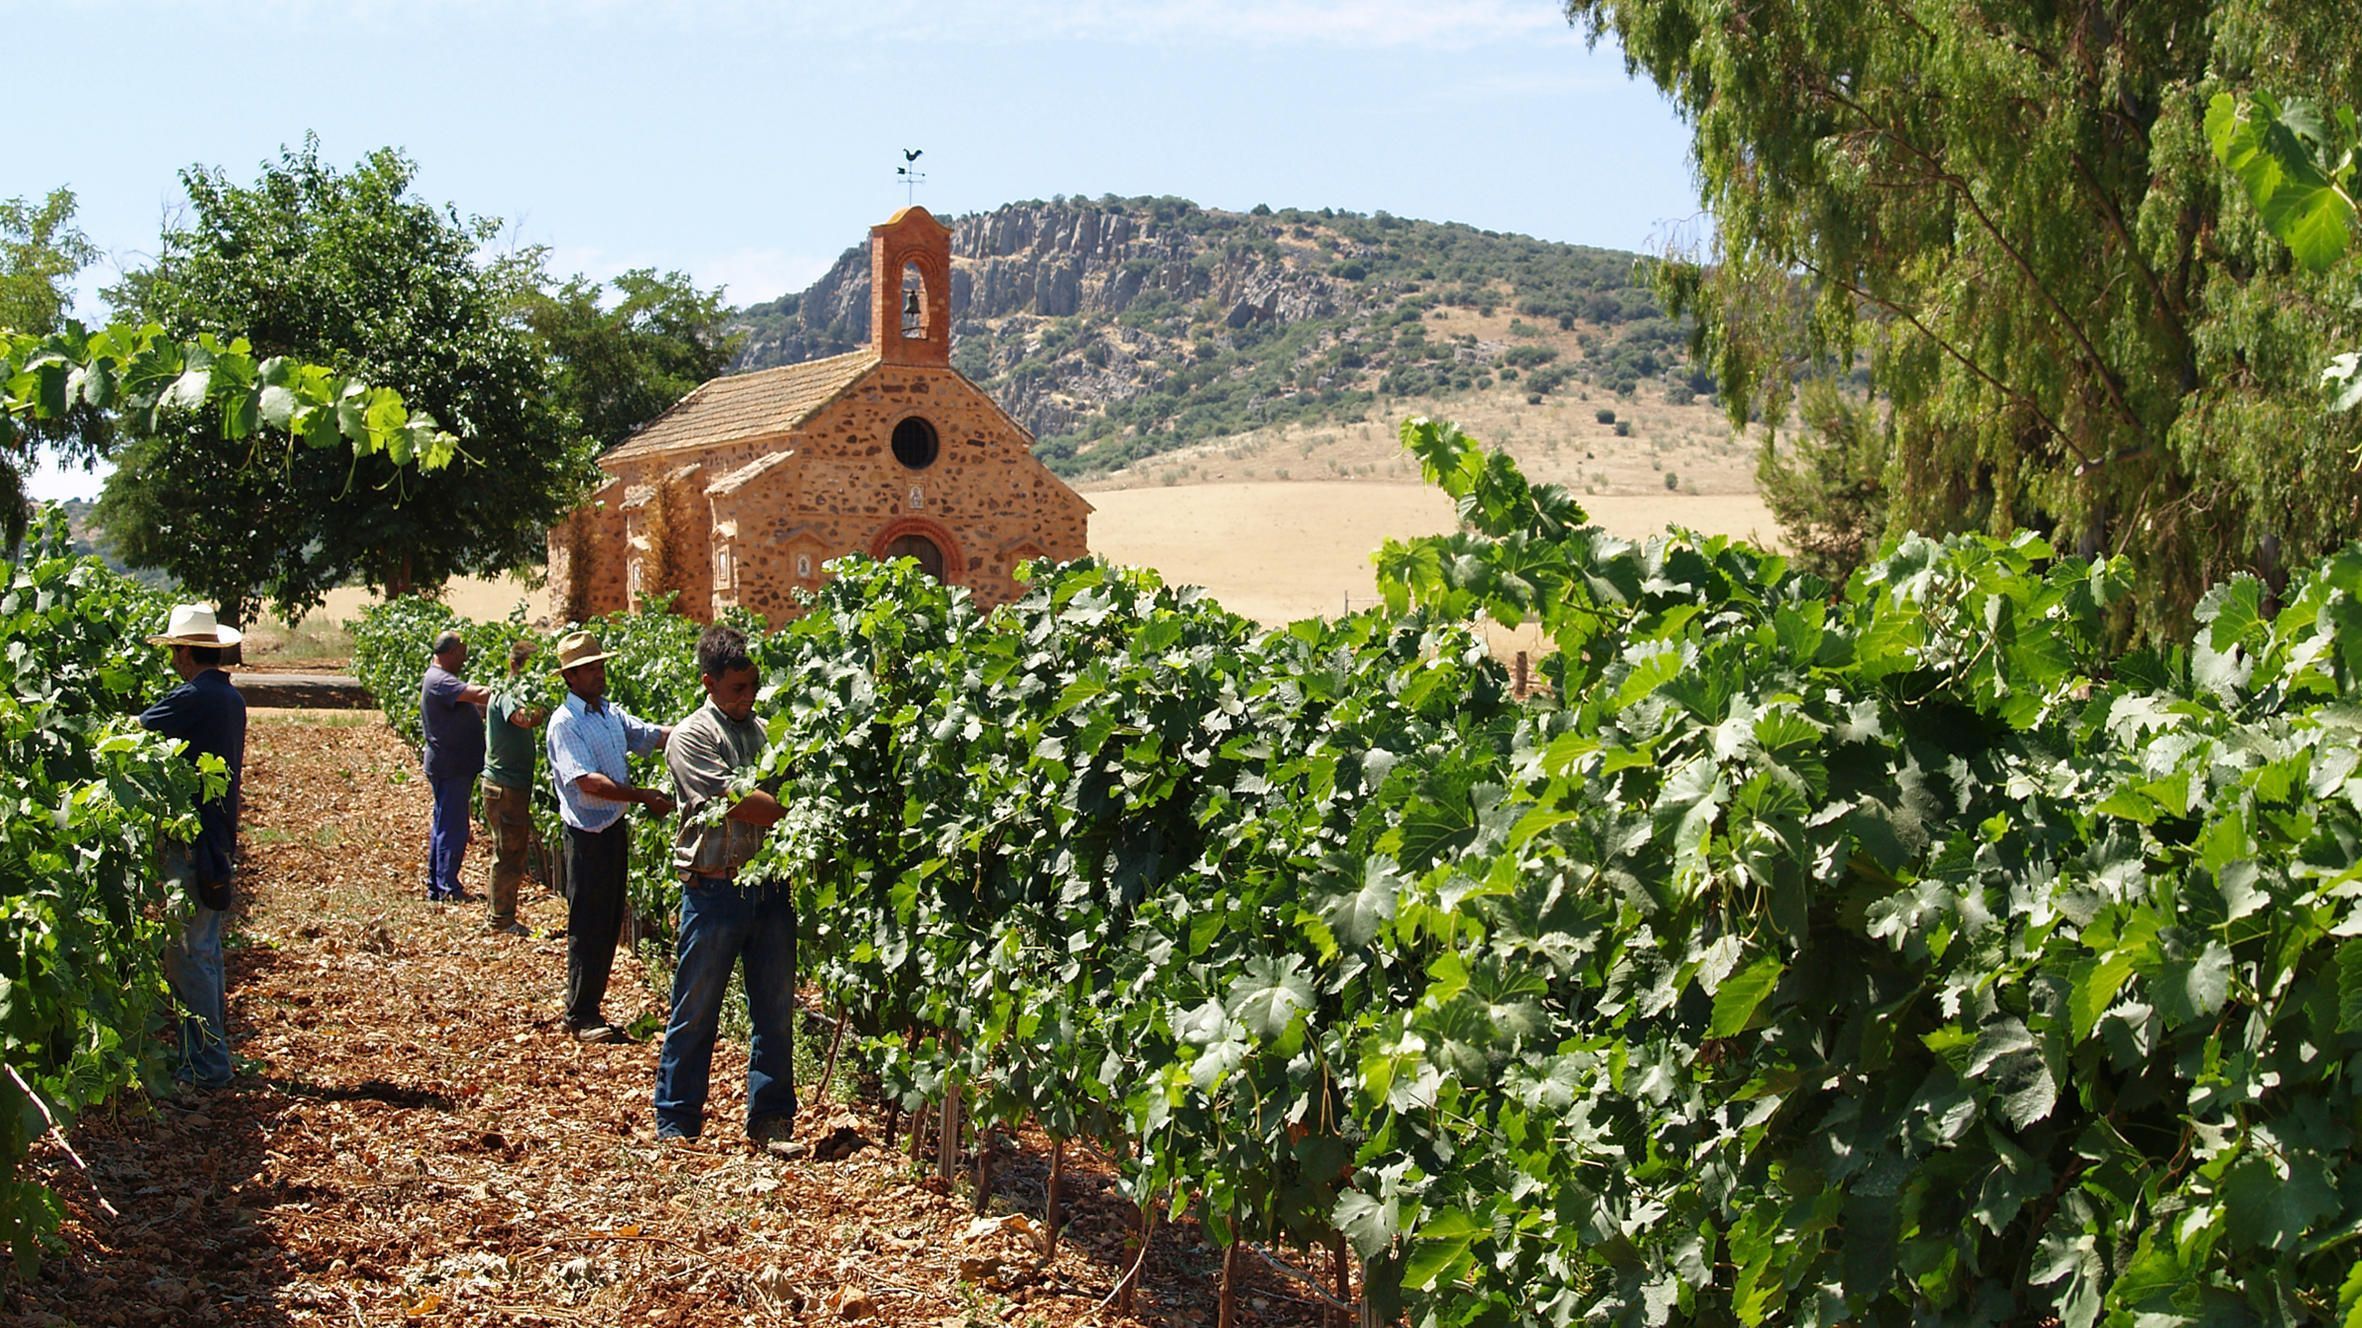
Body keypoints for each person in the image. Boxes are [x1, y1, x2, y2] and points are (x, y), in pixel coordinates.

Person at [653, 624, 792, 1146]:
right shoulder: (691, 737)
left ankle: (771, 1119)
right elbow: (737, 800)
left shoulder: (764, 730)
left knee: (775, 1011)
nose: (748, 697)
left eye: (753, 685)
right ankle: (677, 1119)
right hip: (715, 892)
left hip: (770, 890)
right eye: (737, 688)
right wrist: (795, 814)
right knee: (696, 1009)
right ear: (709, 683)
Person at [139, 603, 249, 1091]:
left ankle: (207, 1065)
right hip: (217, 834)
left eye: (174, 651)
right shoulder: (229, 697)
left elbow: (134, 731)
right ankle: (211, 1054)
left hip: (193, 837)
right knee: (205, 949)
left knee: (187, 953)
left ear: (185, 652)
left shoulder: (193, 698)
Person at [544, 630, 672, 1043]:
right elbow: (588, 783)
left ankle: (590, 1009)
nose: (599, 674)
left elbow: (648, 736)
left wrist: (698, 727)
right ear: (570, 678)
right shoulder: (566, 724)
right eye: (589, 669)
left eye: (599, 666)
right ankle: (580, 1014)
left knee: (609, 917)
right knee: (588, 921)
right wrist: (641, 796)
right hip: (587, 837)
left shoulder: (608, 714)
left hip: (612, 829)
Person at [482, 639, 546, 935]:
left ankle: (501, 914)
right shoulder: (509, 692)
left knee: (511, 851)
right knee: (508, 853)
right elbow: (523, 720)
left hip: (509, 787)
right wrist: (545, 705)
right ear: (514, 666)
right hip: (504, 788)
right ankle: (500, 920)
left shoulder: (515, 691)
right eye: (530, 671)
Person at [421, 631, 489, 903]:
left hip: (451, 765)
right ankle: (448, 888)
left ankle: (437, 886)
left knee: (444, 824)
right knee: (453, 827)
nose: (465, 657)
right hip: (451, 766)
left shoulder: (440, 678)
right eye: (462, 652)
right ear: (449, 653)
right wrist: (514, 689)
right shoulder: (440, 680)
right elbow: (479, 694)